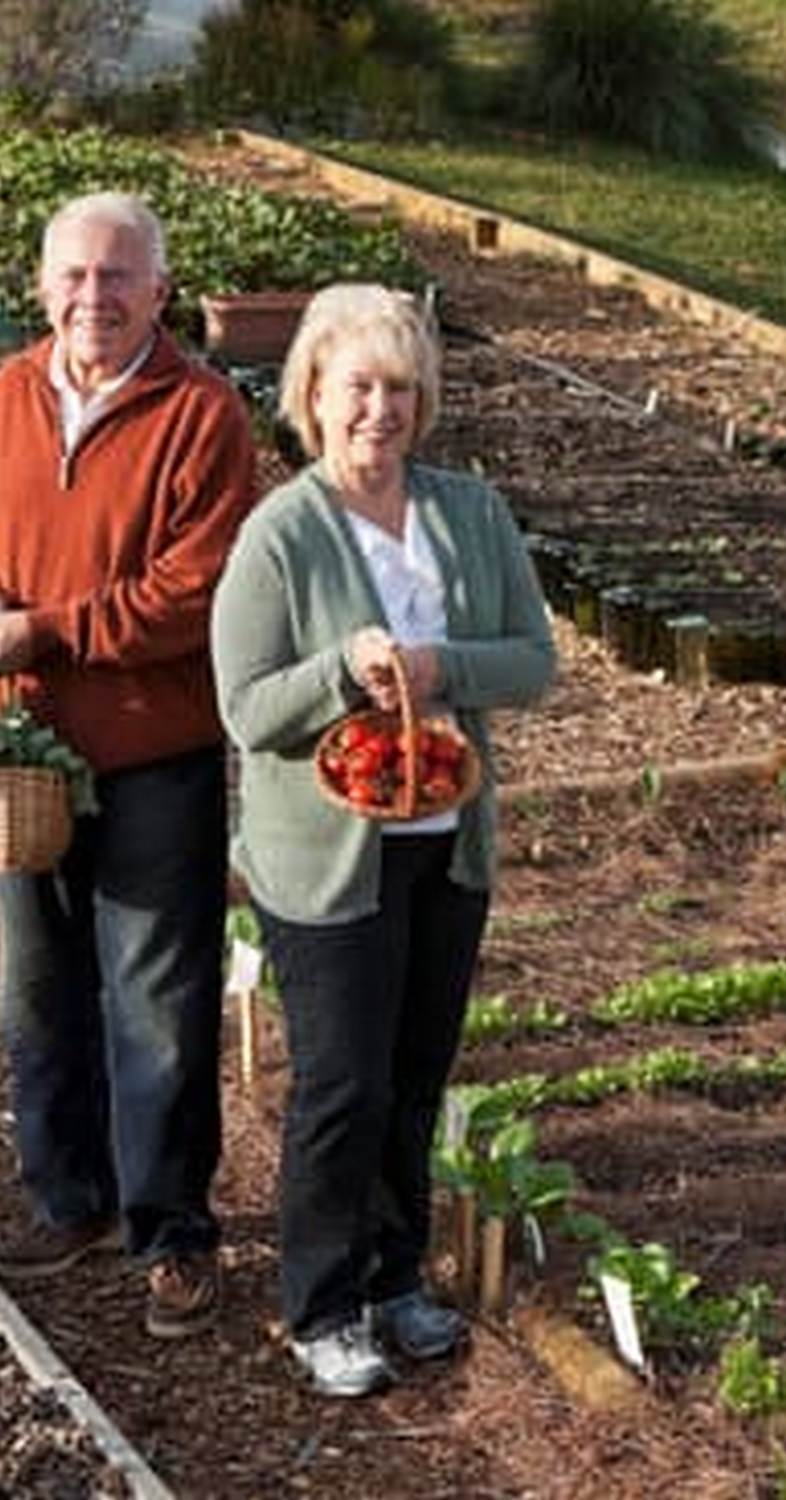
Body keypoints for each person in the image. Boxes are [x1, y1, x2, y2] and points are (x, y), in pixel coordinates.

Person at [210, 283, 555, 1397]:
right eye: (357, 385)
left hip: (444, 841)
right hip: (324, 856)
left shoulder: (470, 511)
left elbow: (533, 661)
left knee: (414, 1074)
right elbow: (248, 709)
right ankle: (321, 1304)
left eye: (400, 387)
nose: (379, 409)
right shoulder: (281, 533)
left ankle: (398, 1276)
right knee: (341, 1085)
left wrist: (439, 666)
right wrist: (339, 674)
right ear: (313, 394)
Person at [0, 192, 256, 1338]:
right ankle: (69, 1201)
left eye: (117, 278)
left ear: (159, 289)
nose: (91, 299)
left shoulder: (203, 416)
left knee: (157, 999)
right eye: (72, 276)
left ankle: (173, 1232)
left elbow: (191, 596)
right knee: (35, 990)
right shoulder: (3, 397)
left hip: (157, 753)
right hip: (24, 759)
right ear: (39, 285)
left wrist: (42, 631)